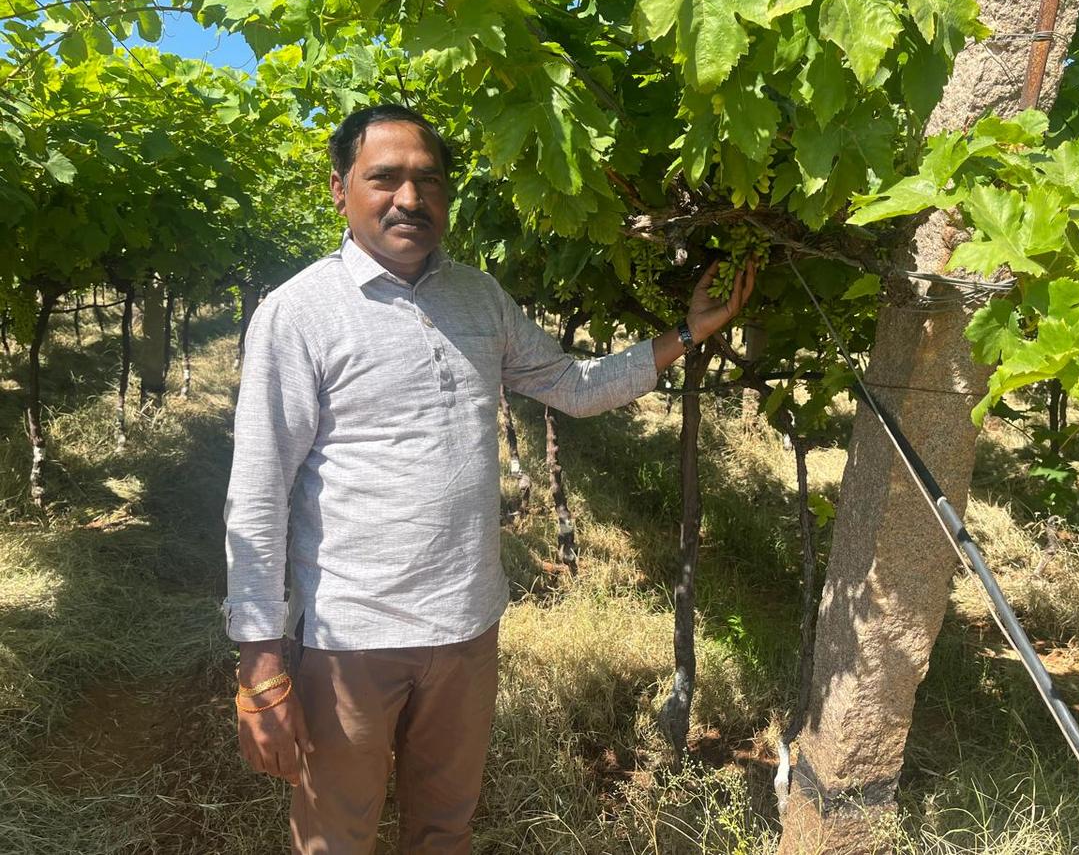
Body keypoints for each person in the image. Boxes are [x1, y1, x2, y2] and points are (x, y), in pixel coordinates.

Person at [223, 103, 755, 855]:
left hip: (467, 628)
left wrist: (687, 333)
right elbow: (258, 492)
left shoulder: (478, 297)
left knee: (445, 829)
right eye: (384, 178)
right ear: (340, 189)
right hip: (350, 637)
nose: (410, 198)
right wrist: (260, 663)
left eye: (429, 181)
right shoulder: (299, 313)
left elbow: (571, 385)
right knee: (336, 837)